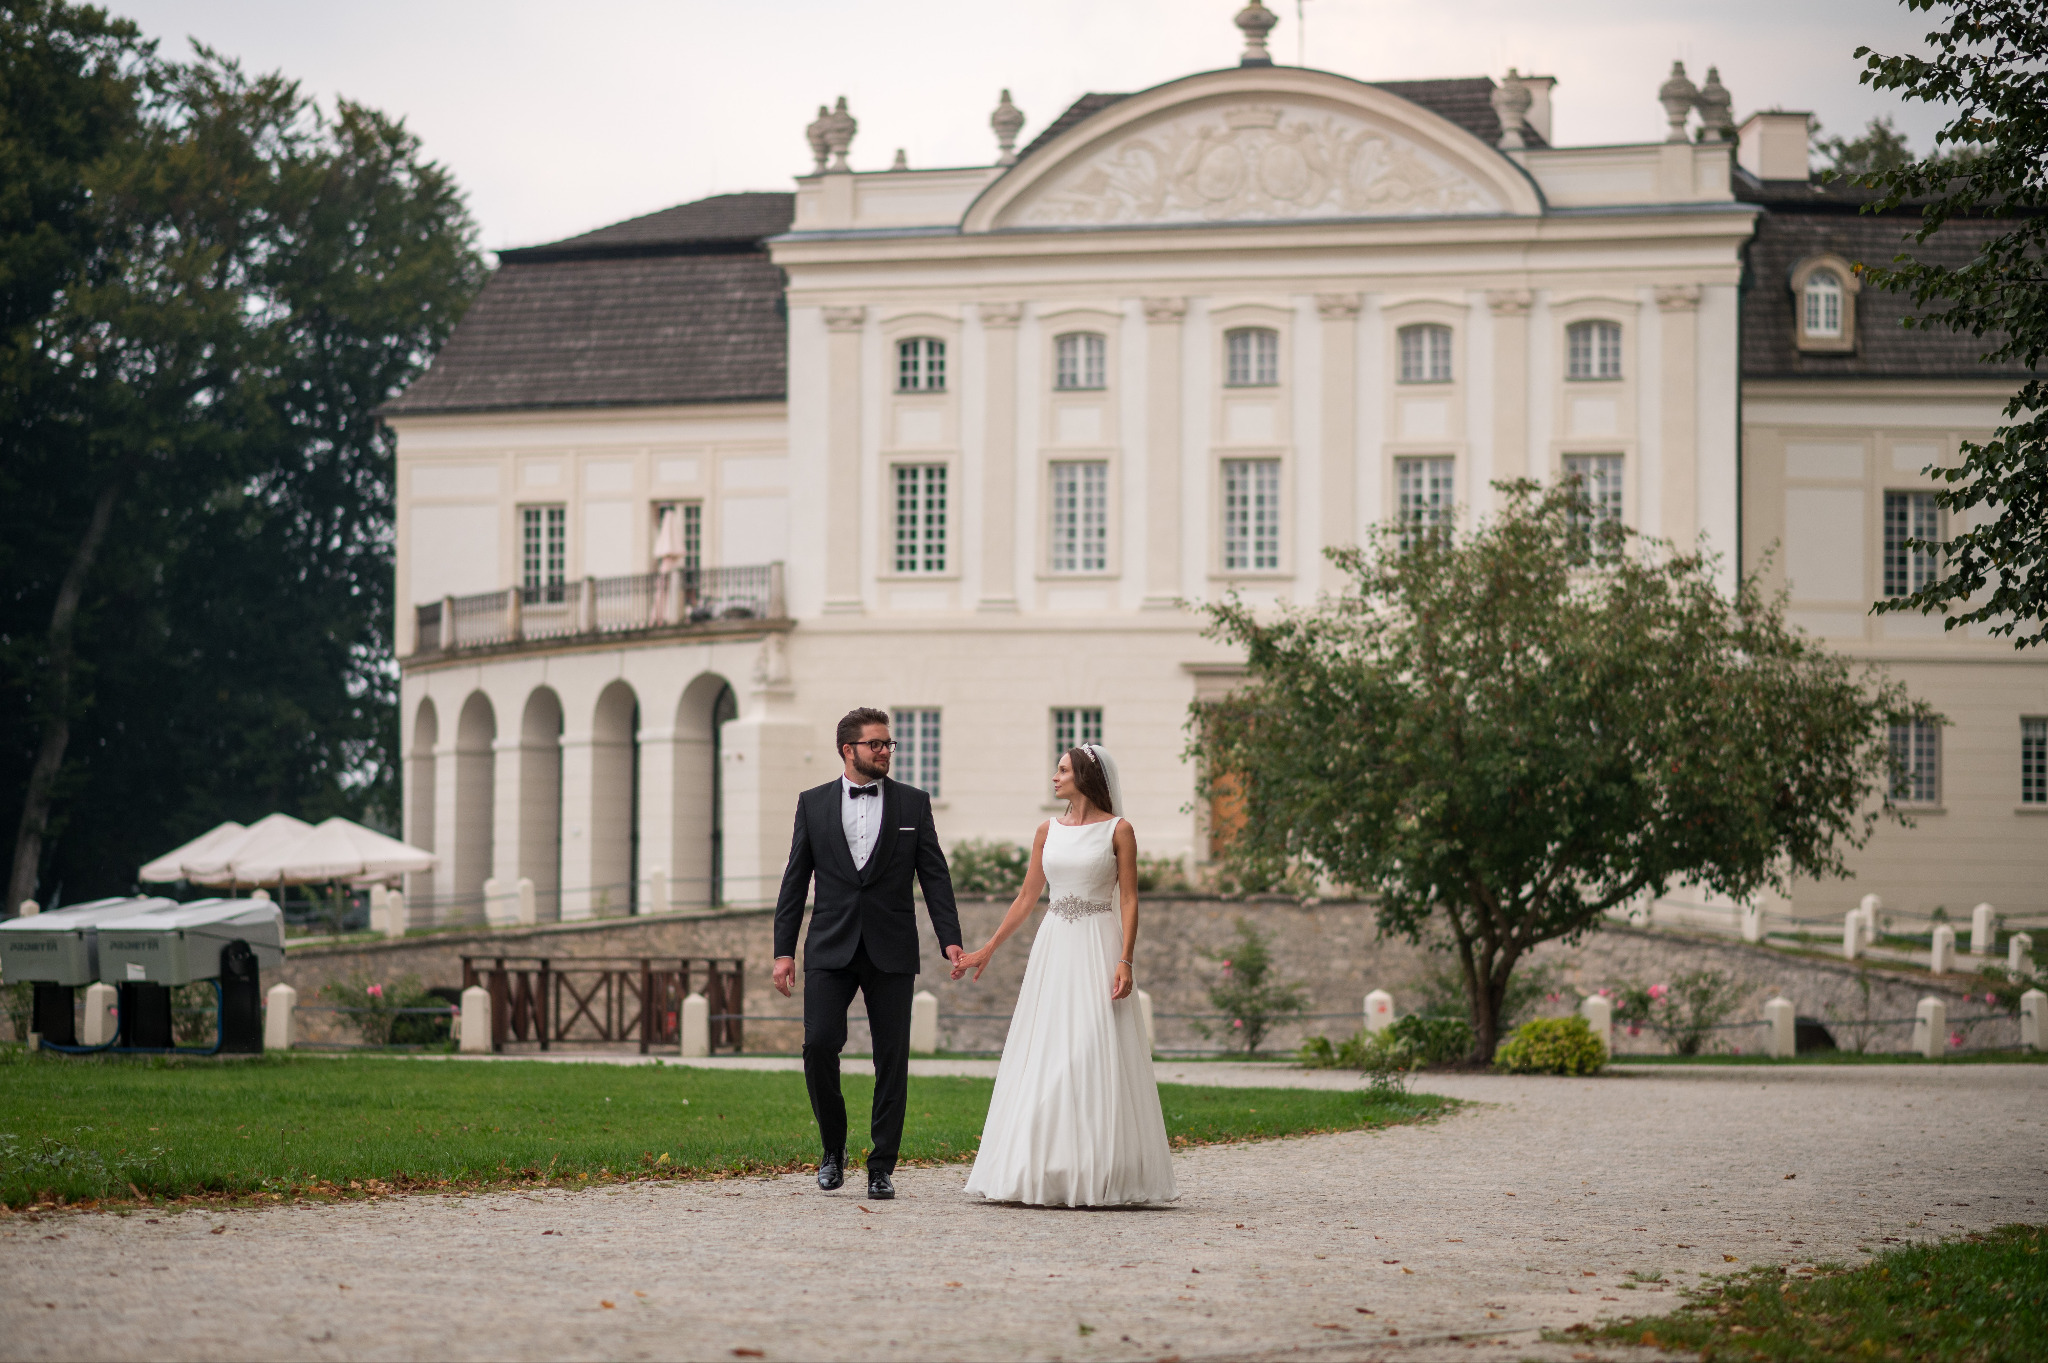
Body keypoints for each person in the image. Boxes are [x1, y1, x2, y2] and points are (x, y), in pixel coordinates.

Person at [951, 743, 1177, 1206]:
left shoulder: (1120, 830)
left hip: (1099, 944)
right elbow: (1027, 896)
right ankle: (1041, 1165)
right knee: (1047, 1049)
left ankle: (1102, 1168)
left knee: (1092, 1049)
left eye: (1062, 770)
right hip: (1054, 946)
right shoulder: (1045, 830)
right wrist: (987, 948)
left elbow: (1130, 899)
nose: (1054, 778)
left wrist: (1126, 959)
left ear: (1085, 778)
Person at [772, 706, 962, 1200]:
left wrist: (950, 939)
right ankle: (832, 1150)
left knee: (892, 1058)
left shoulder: (913, 804)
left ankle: (881, 1165)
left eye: (887, 744)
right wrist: (783, 951)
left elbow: (934, 875)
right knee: (818, 1046)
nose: (884, 751)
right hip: (830, 945)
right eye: (875, 744)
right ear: (847, 750)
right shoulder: (812, 804)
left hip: (891, 947)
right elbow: (795, 881)